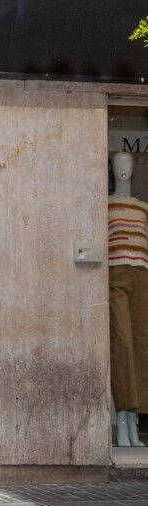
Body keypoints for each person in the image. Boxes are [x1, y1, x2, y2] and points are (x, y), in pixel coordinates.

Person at [107, 151, 147, 447]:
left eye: (127, 162)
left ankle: (134, 420)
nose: (123, 168)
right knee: (122, 344)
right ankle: (121, 419)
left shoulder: (144, 209)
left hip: (142, 276)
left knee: (141, 344)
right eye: (117, 162)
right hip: (115, 275)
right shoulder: (105, 206)